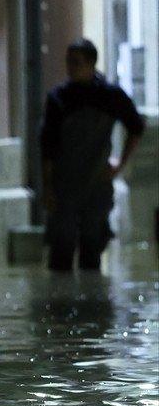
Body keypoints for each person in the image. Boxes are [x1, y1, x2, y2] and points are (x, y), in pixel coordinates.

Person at [40, 39, 146, 272]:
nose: (70, 67)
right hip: (64, 184)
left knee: (92, 250)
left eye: (76, 63)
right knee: (61, 252)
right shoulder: (59, 98)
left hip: (97, 183)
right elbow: (47, 145)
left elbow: (136, 126)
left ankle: (92, 304)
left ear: (91, 64)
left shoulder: (110, 96)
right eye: (69, 62)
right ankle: (61, 304)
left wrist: (120, 164)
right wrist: (48, 187)